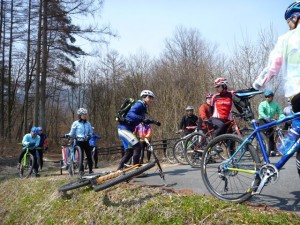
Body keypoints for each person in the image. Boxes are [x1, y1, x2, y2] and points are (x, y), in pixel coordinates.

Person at [252, 1, 300, 176]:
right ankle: (280, 149)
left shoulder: (286, 39)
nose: (289, 26)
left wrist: (256, 84)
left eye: (289, 21)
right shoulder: (265, 104)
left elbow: (273, 66)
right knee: (289, 129)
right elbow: (265, 112)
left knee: (295, 129)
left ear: (295, 17)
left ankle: (282, 149)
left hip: (296, 93)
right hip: (294, 98)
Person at [117, 90, 158, 170]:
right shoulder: (140, 104)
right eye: (149, 97)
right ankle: (136, 171)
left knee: (129, 152)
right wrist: (142, 119)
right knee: (138, 146)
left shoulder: (143, 106)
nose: (151, 100)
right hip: (124, 129)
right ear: (144, 97)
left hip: (125, 130)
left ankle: (119, 170)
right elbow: (130, 114)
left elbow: (141, 119)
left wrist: (153, 121)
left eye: (152, 98)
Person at [65, 108, 94, 174]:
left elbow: (91, 132)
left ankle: (90, 170)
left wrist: (89, 135)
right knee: (81, 156)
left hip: (86, 141)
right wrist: (67, 135)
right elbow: (72, 133)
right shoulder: (76, 123)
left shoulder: (88, 123)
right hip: (79, 141)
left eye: (86, 114)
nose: (85, 116)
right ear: (80, 115)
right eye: (83, 114)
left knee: (89, 156)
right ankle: (81, 171)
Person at [258, 90, 285, 156]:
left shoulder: (275, 104)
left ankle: (272, 150)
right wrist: (265, 117)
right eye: (266, 97)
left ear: (272, 97)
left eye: (268, 96)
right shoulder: (262, 104)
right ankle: (261, 147)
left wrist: (282, 117)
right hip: (263, 120)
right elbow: (260, 112)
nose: (267, 98)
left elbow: (280, 112)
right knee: (263, 134)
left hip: (271, 120)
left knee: (271, 135)